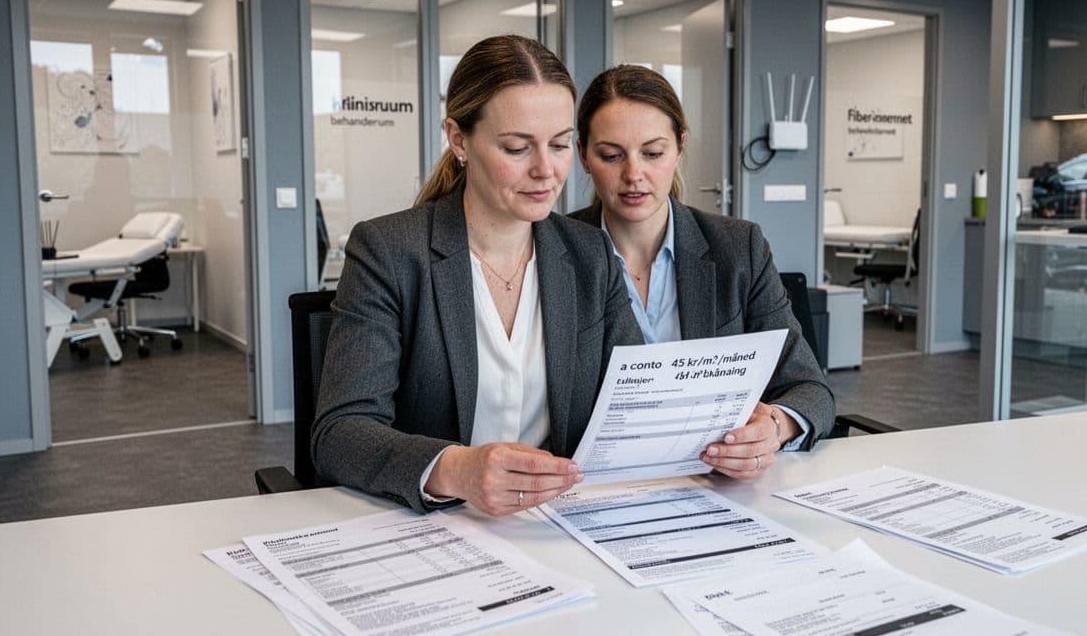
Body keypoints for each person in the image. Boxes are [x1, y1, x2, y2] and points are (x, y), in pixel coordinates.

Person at [312, 35, 641, 516]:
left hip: (559, 522)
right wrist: (454, 469)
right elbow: (340, 431)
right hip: (433, 523)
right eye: (516, 148)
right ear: (459, 139)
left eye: (560, 145)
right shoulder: (390, 252)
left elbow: (634, 398)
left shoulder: (589, 253)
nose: (546, 171)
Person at [571, 65, 835, 479]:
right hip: (594, 487)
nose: (633, 174)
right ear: (583, 154)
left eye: (653, 153)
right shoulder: (555, 250)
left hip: (716, 484)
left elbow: (810, 388)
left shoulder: (737, 248)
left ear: (680, 146)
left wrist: (774, 428)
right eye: (611, 155)